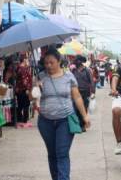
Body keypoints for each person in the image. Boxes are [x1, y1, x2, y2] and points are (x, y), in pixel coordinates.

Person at [36, 48, 91, 180]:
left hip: (65, 120)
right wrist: (35, 89)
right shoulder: (40, 77)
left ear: (59, 61)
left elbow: (77, 97)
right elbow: (33, 99)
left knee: (62, 153)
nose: (48, 65)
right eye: (46, 63)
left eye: (52, 62)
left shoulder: (68, 76)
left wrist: (84, 115)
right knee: (52, 154)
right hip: (45, 121)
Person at [72, 55, 95, 129]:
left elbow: (91, 82)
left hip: (85, 92)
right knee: (76, 108)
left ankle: (83, 126)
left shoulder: (87, 70)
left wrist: (93, 92)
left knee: (84, 108)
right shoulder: (73, 71)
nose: (76, 63)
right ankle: (78, 124)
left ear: (81, 62)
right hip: (75, 93)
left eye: (78, 61)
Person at [15, 54, 32, 125]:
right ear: (24, 61)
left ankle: (21, 118)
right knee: (25, 105)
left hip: (20, 90)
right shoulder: (23, 69)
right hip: (24, 89)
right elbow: (24, 80)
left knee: (20, 104)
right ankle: (24, 119)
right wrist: (28, 88)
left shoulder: (20, 69)